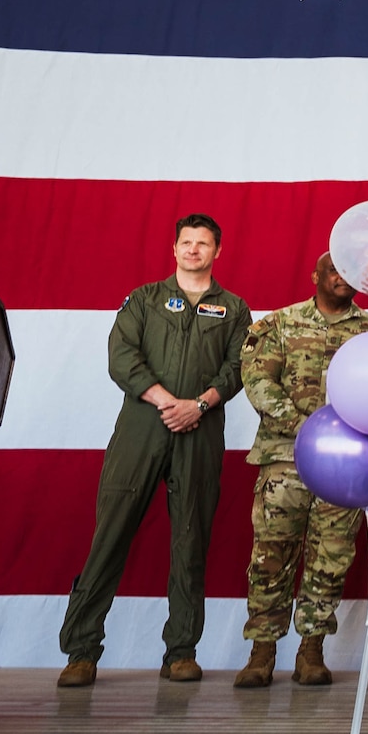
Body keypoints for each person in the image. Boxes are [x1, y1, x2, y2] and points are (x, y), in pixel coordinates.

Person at [56, 214, 252, 687]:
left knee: (191, 542)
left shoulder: (235, 308)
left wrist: (199, 405)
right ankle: (81, 651)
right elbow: (121, 357)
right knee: (111, 534)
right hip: (142, 427)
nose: (193, 250)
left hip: (200, 431)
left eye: (203, 244)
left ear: (217, 252)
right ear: (175, 248)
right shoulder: (144, 300)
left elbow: (239, 366)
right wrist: (168, 402)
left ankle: (181, 650)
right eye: (187, 242)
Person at [233, 254, 368, 689]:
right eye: (334, 270)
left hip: (345, 465)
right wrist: (308, 429)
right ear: (316, 276)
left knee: (330, 558)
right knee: (271, 556)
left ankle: (311, 650)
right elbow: (258, 383)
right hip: (285, 459)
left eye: (349, 272)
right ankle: (262, 651)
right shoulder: (279, 324)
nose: (341, 278)